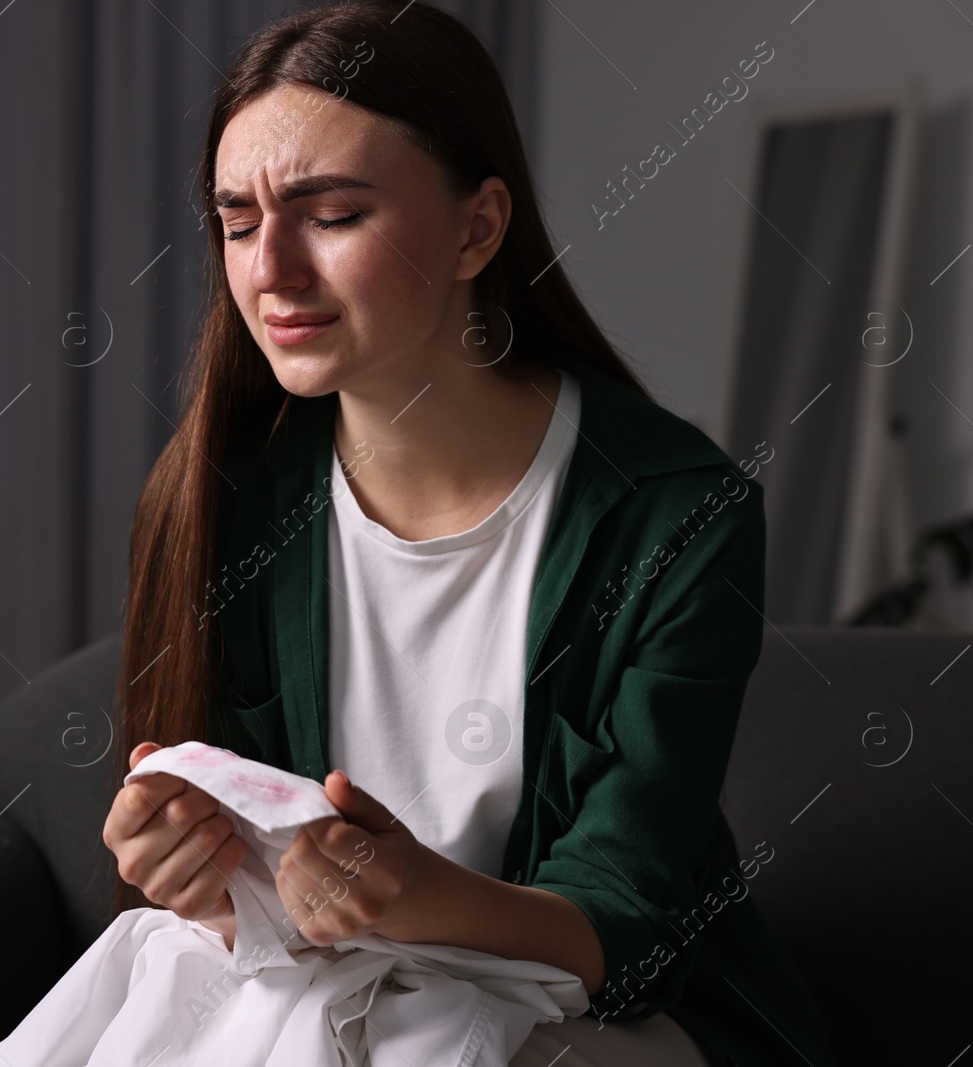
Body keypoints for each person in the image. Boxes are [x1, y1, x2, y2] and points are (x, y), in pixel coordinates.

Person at [102, 2, 836, 1064]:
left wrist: (417, 895)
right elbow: (238, 900)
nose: (271, 271)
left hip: (600, 1020)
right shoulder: (217, 496)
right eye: (238, 220)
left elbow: (622, 927)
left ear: (477, 228)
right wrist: (188, 869)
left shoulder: (676, 512)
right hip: (320, 993)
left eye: (331, 214)